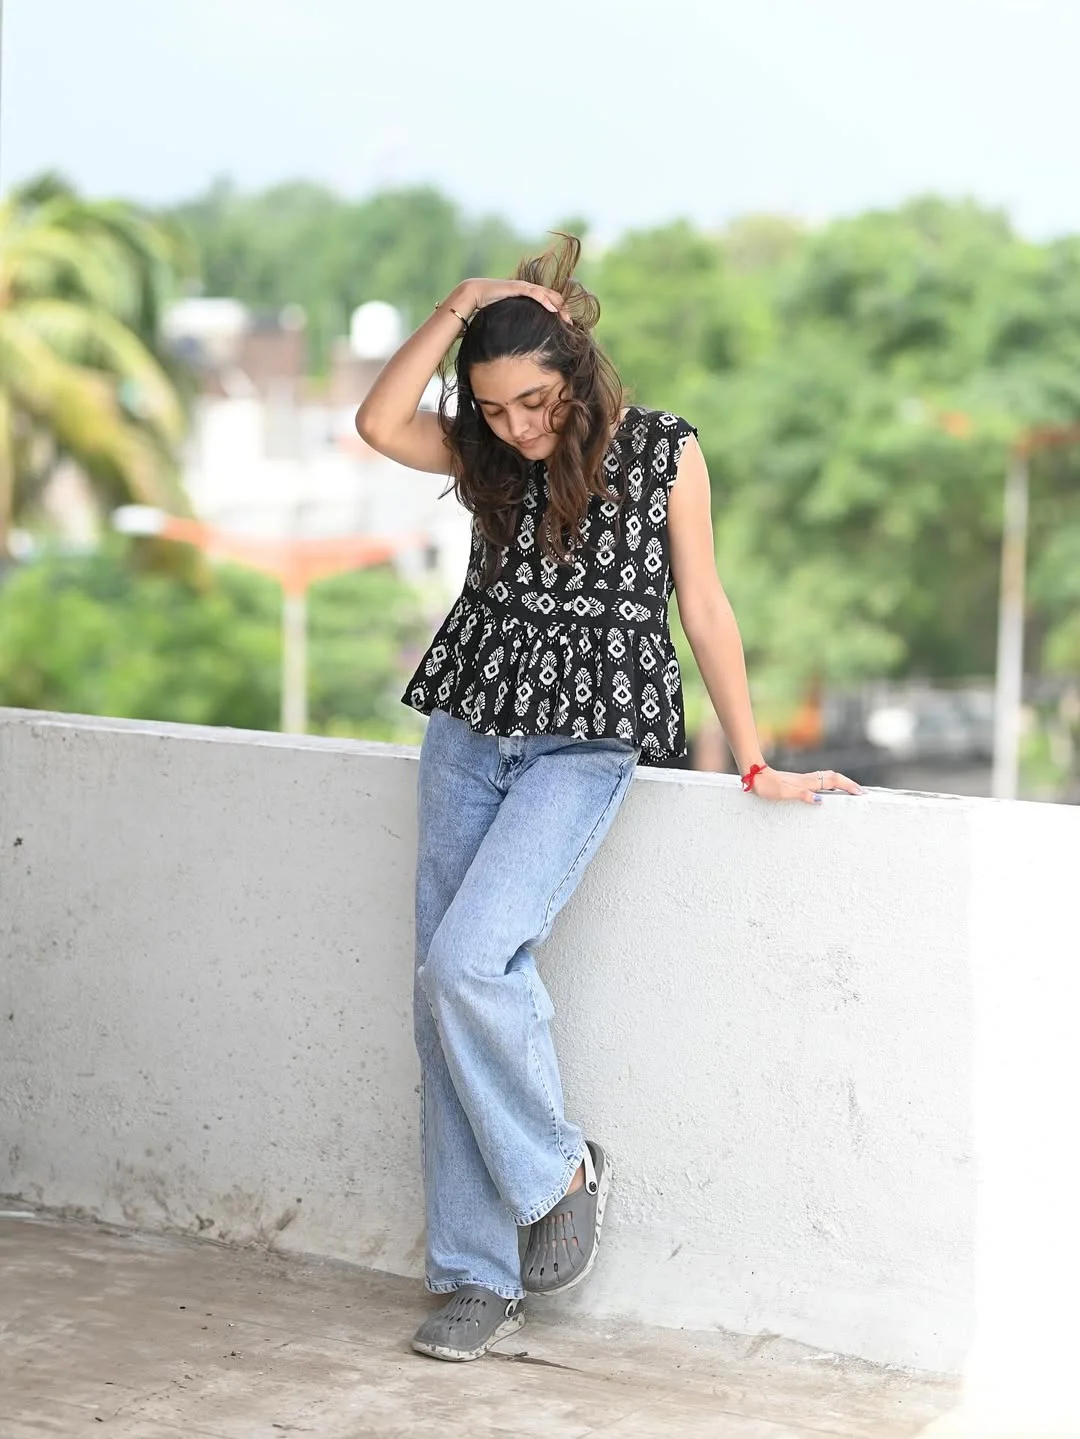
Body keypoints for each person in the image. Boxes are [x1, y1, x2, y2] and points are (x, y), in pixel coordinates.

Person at [355, 235, 860, 1363]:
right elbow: (376, 423)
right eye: (492, 410)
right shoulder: (486, 454)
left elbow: (707, 609)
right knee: (439, 1002)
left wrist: (755, 757)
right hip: (469, 728)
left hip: (586, 742)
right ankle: (477, 1274)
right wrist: (461, 299)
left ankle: (558, 1169)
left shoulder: (665, 451)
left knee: (468, 963)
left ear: (579, 372)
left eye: (535, 402)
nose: (519, 428)